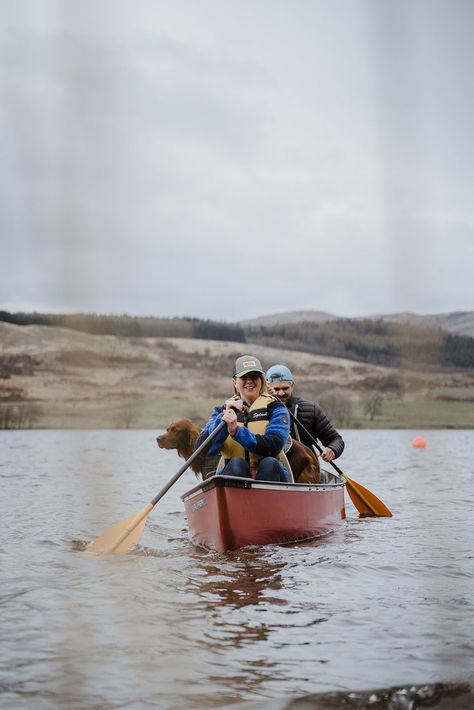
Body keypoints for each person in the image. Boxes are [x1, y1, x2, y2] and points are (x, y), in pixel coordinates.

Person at [196, 355, 290, 481]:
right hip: (234, 473)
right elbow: (202, 451)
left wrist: (237, 432)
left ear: (261, 380)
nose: (249, 381)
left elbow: (274, 446)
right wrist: (223, 420)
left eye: (254, 377)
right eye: (244, 377)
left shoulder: (276, 408)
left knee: (269, 464)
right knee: (236, 464)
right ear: (235, 382)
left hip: (270, 475)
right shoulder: (221, 411)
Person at [265, 364, 344, 463]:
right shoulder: (257, 410)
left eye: (285, 388)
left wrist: (332, 450)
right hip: (271, 467)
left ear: (292, 386)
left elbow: (336, 440)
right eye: (276, 389)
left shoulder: (311, 410)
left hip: (306, 468)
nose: (281, 393)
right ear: (266, 388)